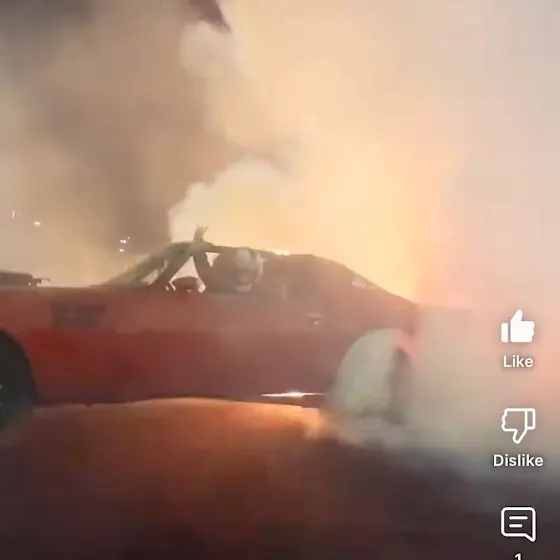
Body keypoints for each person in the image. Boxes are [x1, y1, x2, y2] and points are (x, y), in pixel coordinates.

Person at [191, 226, 264, 294]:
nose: (243, 276)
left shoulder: (216, 284)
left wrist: (198, 241)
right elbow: (202, 265)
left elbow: (202, 265)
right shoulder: (260, 292)